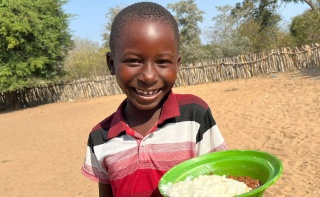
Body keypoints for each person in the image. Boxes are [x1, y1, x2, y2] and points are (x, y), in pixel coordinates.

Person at [81, 2, 228, 197]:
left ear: (177, 64)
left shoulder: (195, 116)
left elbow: (218, 182)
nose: (149, 76)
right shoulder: (100, 137)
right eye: (134, 61)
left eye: (163, 62)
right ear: (111, 64)